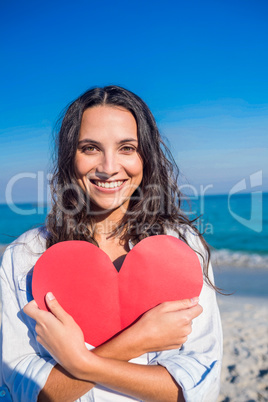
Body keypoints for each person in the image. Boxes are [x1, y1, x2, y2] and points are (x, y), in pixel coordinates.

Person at [0, 86, 222, 402]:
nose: (108, 167)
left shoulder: (180, 248)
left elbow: (198, 388)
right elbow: (28, 393)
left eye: (126, 148)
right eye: (90, 148)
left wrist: (80, 363)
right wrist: (134, 341)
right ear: (69, 158)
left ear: (146, 156)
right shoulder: (26, 256)